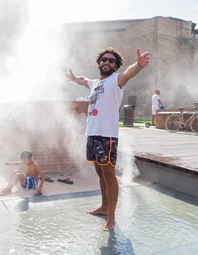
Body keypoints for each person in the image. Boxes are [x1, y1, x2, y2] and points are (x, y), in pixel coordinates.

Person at [65, 47, 149, 231]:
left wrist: (139, 65)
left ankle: (111, 218)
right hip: (92, 135)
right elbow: (83, 80)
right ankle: (103, 207)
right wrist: (73, 79)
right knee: (100, 174)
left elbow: (128, 74)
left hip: (106, 137)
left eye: (111, 61)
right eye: (104, 59)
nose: (107, 62)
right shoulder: (94, 83)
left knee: (109, 176)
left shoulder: (116, 81)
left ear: (115, 65)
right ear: (99, 62)